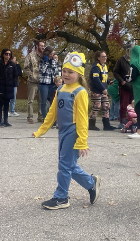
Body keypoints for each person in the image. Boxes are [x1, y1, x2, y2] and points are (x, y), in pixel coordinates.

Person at [33, 52, 101, 211]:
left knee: (65, 165)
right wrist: (41, 130)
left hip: (73, 132)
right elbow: (52, 112)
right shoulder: (60, 89)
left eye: (71, 72)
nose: (66, 74)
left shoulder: (80, 92)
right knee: (67, 164)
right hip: (62, 132)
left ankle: (61, 197)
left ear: (79, 74)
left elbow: (83, 119)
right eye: (64, 71)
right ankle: (91, 182)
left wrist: (82, 141)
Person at [89, 51, 114, 131]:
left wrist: (108, 82)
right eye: (103, 56)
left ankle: (106, 125)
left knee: (106, 106)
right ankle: (91, 124)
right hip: (96, 90)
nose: (105, 58)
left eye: (105, 56)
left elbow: (104, 77)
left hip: (103, 90)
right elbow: (96, 79)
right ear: (98, 58)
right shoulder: (96, 67)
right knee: (97, 106)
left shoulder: (104, 66)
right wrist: (103, 89)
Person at [0, 48, 17, 127]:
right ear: (3, 54)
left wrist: (14, 84)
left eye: (9, 54)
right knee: (0, 104)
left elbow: (15, 75)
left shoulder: (12, 65)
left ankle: (6, 120)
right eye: (6, 54)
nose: (8, 56)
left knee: (7, 104)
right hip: (0, 87)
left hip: (9, 87)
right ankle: (0, 120)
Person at [24, 39, 46, 124]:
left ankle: (40, 117)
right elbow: (25, 67)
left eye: (43, 46)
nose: (43, 47)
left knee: (41, 100)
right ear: (37, 46)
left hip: (41, 81)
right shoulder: (30, 55)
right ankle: (30, 117)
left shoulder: (44, 56)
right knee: (31, 100)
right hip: (32, 81)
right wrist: (32, 75)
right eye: (41, 46)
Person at [38, 46, 61, 122]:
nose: (52, 55)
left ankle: (52, 118)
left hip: (52, 84)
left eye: (53, 54)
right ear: (47, 53)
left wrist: (57, 81)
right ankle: (45, 118)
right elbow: (42, 71)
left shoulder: (54, 61)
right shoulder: (42, 61)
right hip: (44, 83)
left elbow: (57, 71)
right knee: (44, 102)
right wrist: (46, 62)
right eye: (51, 54)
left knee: (53, 101)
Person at [112, 49, 133, 127]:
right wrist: (121, 81)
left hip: (133, 85)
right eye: (130, 51)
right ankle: (122, 122)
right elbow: (115, 72)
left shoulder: (136, 60)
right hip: (124, 85)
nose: (131, 53)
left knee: (133, 104)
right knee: (124, 105)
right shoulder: (121, 60)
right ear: (127, 51)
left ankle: (131, 122)